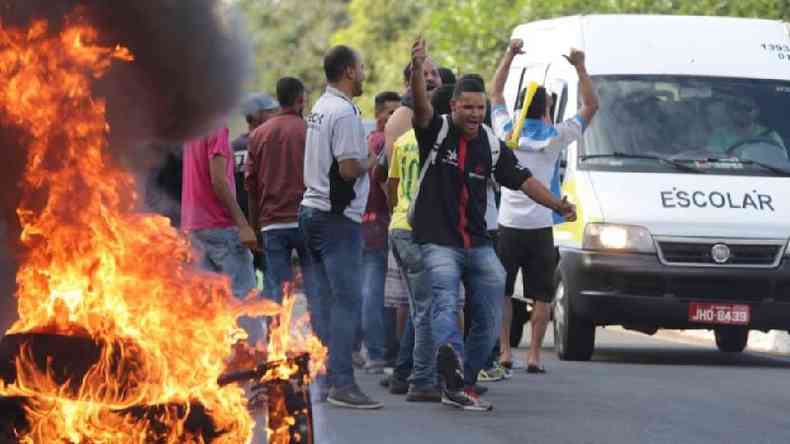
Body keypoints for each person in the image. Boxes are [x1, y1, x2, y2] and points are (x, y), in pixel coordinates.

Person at [409, 37, 576, 411]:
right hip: (438, 241)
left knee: (489, 312)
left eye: (479, 107)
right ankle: (450, 361)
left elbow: (524, 180)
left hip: (479, 243)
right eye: (466, 107)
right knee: (446, 302)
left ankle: (462, 383)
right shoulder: (434, 131)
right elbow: (420, 106)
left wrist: (558, 205)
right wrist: (418, 69)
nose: (473, 113)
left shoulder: (492, 142)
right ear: (453, 107)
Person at [490, 39, 598, 373]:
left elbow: (495, 94)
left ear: (522, 107)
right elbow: (591, 106)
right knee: (541, 295)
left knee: (504, 292)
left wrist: (509, 56)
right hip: (540, 228)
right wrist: (580, 66)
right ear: (547, 109)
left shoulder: (507, 131)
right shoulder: (556, 136)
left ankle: (506, 350)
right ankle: (534, 355)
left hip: (508, 224)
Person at [299, 44, 382, 409]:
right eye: (361, 68)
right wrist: (372, 160)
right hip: (336, 220)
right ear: (349, 71)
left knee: (324, 303)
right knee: (347, 302)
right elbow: (348, 168)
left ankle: (322, 378)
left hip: (310, 213)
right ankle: (343, 384)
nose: (363, 74)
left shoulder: (320, 106)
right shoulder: (345, 112)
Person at [181, 126, 260, 343]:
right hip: (220, 227)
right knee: (245, 302)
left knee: (207, 309)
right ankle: (253, 362)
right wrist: (243, 224)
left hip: (194, 229)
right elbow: (219, 181)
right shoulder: (216, 128)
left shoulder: (193, 131)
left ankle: (216, 367)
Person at [245, 77, 311, 304]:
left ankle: (275, 336)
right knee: (315, 287)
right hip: (306, 220)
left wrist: (255, 227)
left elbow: (250, 186)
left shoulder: (258, 135)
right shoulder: (309, 130)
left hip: (272, 223)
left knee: (277, 291)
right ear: (300, 99)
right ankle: (322, 336)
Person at [360, 91, 401, 373]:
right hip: (377, 226)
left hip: (371, 224)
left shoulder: (373, 141)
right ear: (378, 116)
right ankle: (378, 353)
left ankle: (377, 352)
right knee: (376, 293)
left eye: (399, 112)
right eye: (390, 113)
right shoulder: (380, 142)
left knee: (377, 292)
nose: (395, 118)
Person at [232, 93, 280, 218]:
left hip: (241, 220)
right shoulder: (269, 144)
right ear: (257, 115)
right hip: (266, 219)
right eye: (270, 111)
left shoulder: (233, 146)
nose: (275, 115)